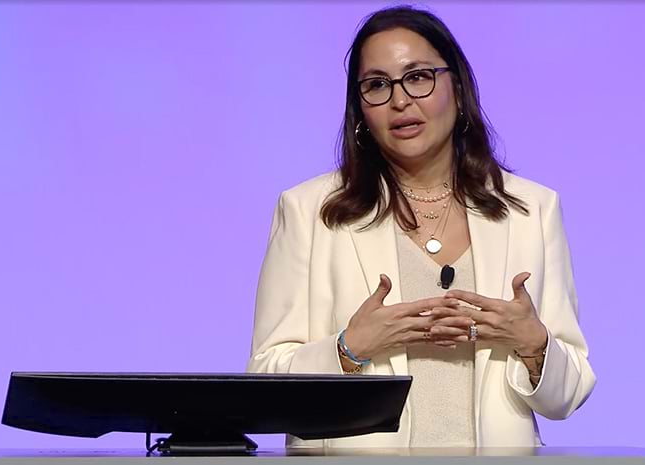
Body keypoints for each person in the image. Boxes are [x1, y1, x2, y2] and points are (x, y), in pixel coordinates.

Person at [246, 5, 595, 448]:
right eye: (377, 85)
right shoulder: (310, 211)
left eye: (418, 77)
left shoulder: (531, 209)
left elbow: (570, 392)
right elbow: (265, 380)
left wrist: (532, 344)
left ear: (458, 88)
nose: (399, 100)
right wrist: (348, 349)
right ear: (360, 110)